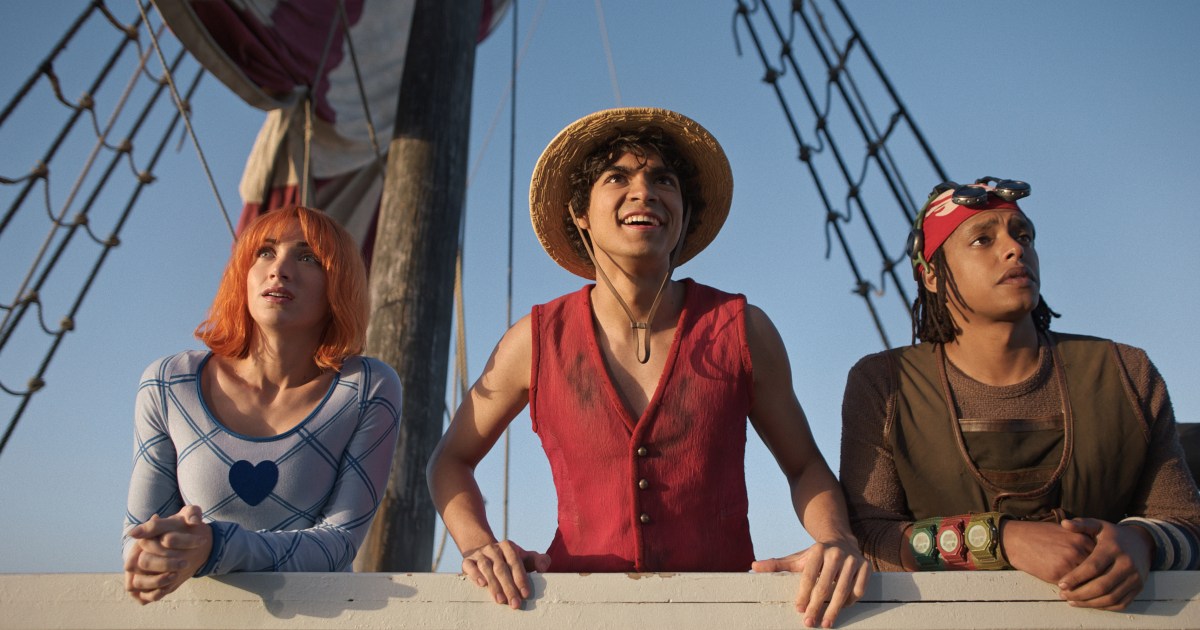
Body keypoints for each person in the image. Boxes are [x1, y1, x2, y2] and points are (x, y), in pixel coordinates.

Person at [428, 108, 869, 628]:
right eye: (617, 178)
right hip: (573, 617)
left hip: (722, 616)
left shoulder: (743, 329)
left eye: (663, 180)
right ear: (580, 213)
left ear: (684, 211)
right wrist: (478, 546)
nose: (644, 192)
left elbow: (805, 466)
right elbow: (450, 460)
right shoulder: (535, 339)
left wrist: (837, 539)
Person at [840, 178, 1200, 611]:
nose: (1015, 249)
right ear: (932, 275)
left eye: (1024, 235)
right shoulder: (885, 383)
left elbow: (1188, 522)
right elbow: (867, 537)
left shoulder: (1126, 371)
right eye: (982, 239)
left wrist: (1142, 542)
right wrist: (1000, 539)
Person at [122, 205, 401, 604]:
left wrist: (216, 547)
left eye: (308, 258)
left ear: (339, 283)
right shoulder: (169, 383)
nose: (279, 270)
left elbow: (339, 543)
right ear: (243, 273)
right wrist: (162, 550)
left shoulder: (365, 388)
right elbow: (139, 540)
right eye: (265, 252)